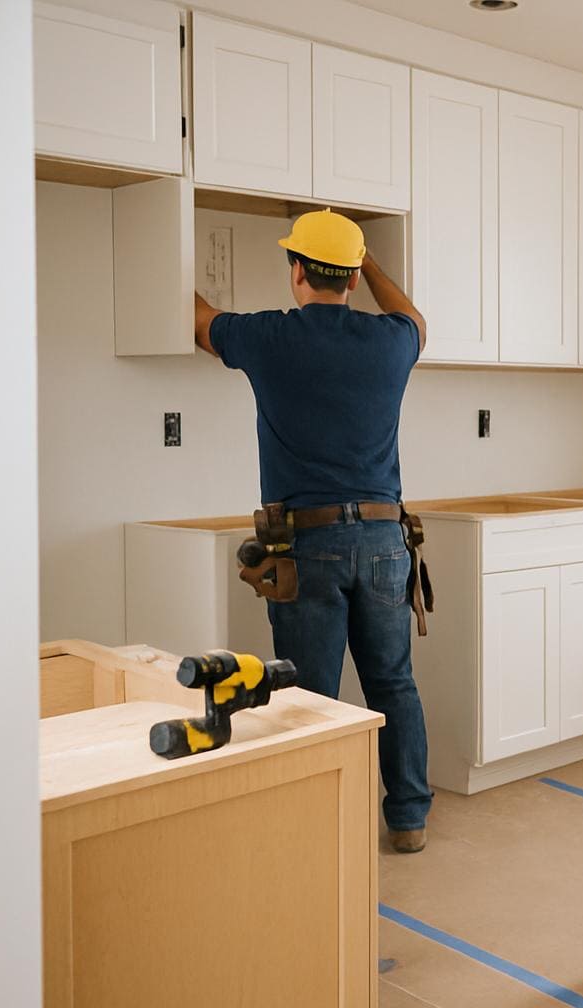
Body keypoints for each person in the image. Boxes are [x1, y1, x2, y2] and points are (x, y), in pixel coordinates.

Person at [193, 209, 433, 852]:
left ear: (295, 271)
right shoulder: (390, 342)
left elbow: (199, 322)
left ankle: (316, 822)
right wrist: (367, 261)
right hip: (385, 543)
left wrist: (161, 258)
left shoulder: (271, 337)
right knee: (394, 684)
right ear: (352, 278)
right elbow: (416, 319)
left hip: (307, 545)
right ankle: (408, 820)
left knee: (308, 692)